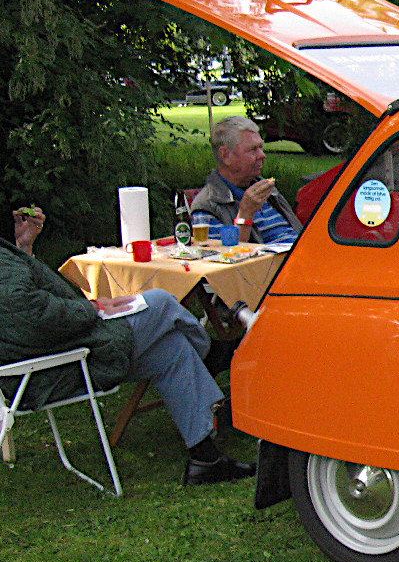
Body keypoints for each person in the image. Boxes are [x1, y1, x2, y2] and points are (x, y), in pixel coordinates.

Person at [2, 207, 254, 485]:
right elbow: (31, 314)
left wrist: (24, 246)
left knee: (172, 349)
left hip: (61, 352)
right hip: (49, 371)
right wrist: (94, 308)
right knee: (160, 302)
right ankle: (212, 354)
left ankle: (205, 460)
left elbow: (19, 306)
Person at [189, 117, 302, 246]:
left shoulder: (265, 189)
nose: (262, 155)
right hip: (280, 259)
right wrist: (246, 213)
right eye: (253, 149)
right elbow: (221, 255)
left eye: (261, 147)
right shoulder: (208, 205)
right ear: (225, 155)